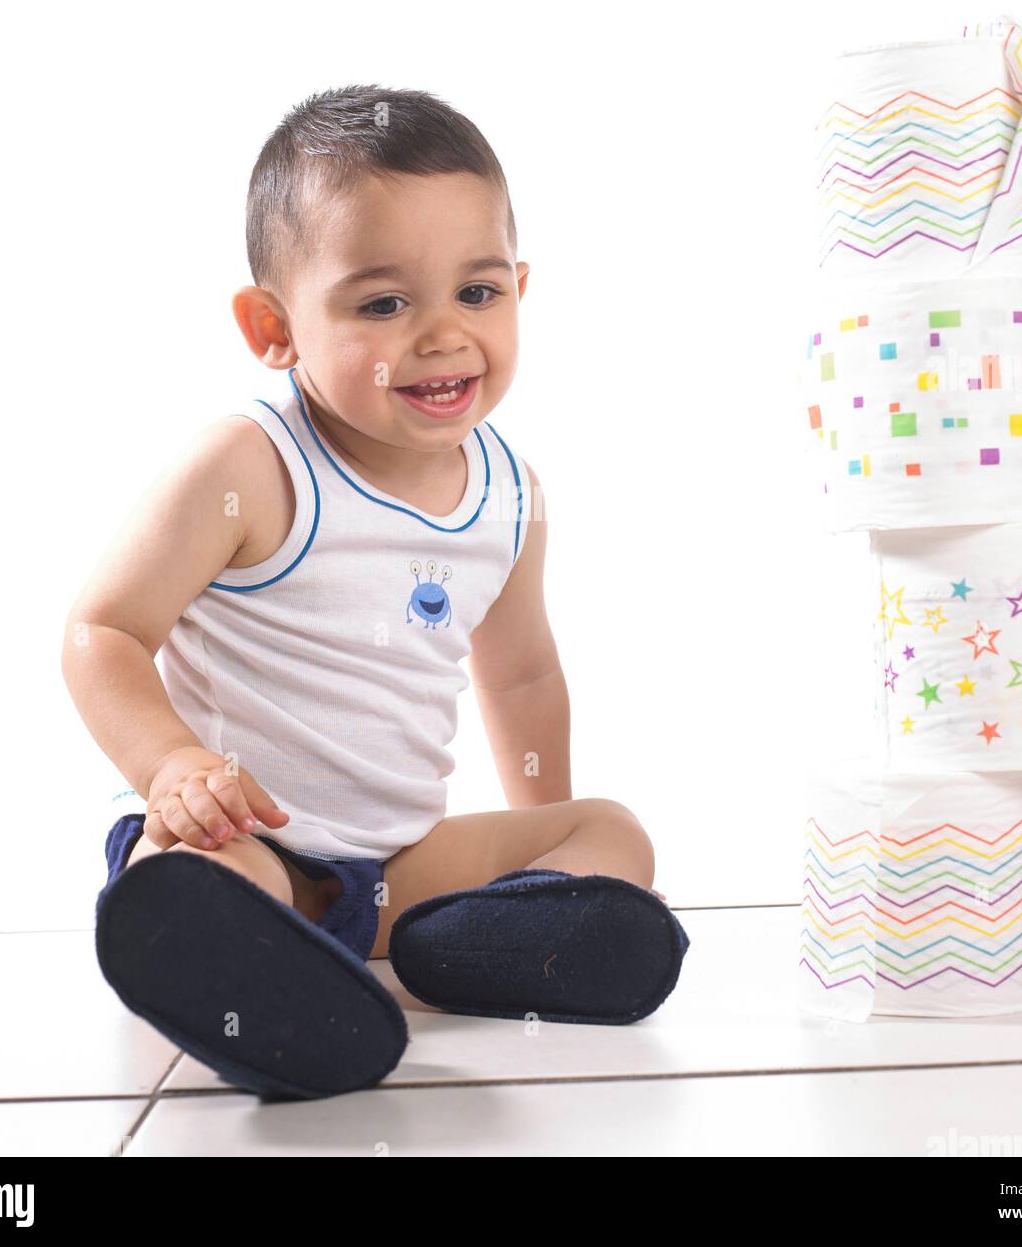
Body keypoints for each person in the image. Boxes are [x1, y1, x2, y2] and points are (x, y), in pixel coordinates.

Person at [63, 85, 690, 1101]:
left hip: (400, 870)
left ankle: (484, 942)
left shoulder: (508, 493)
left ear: (520, 288)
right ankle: (252, 996)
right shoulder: (251, 466)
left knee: (615, 832)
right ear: (273, 326)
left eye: (477, 293)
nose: (442, 335)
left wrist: (547, 875)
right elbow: (102, 630)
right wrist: (170, 761)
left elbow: (523, 676)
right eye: (384, 304)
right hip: (248, 844)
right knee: (193, 885)